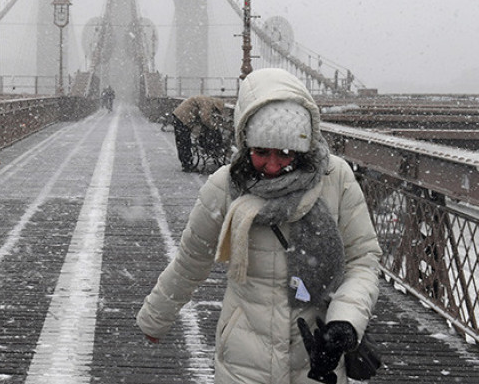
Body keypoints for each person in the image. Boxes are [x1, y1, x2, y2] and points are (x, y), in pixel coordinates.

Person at [137, 68, 381, 384]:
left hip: (318, 356)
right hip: (243, 359)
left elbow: (362, 261)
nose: (273, 165)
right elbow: (191, 260)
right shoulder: (226, 186)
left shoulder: (335, 179)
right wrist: (156, 317)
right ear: (245, 142)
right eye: (261, 152)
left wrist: (344, 324)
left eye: (286, 153)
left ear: (304, 147)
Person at [171, 95, 225, 172]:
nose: (214, 111)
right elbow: (205, 118)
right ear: (215, 106)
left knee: (183, 142)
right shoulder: (207, 103)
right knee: (184, 143)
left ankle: (186, 163)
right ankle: (187, 165)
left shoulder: (206, 100)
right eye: (216, 110)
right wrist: (214, 127)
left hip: (180, 116)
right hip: (182, 118)